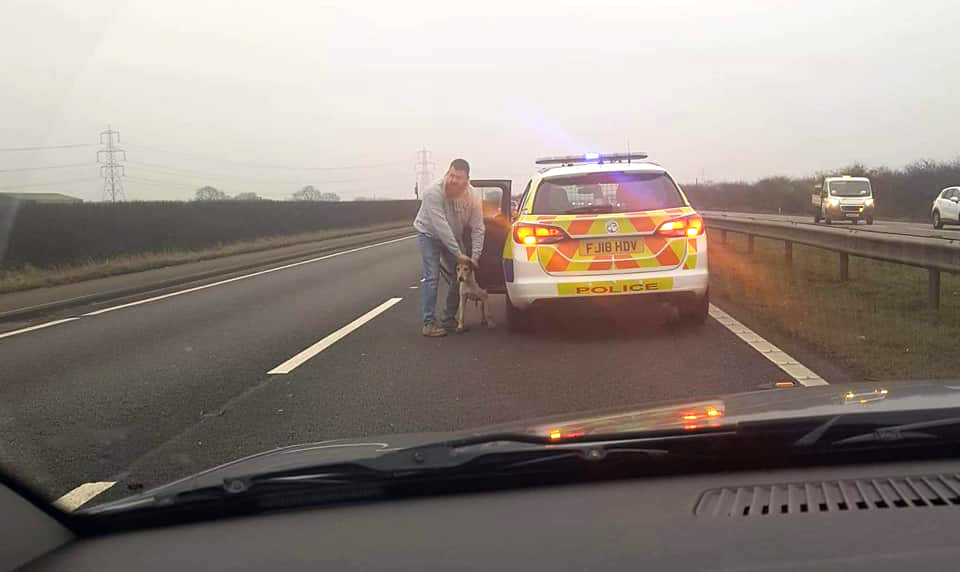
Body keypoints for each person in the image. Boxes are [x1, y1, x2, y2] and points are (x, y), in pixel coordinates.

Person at [413, 158, 484, 337]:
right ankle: (428, 323)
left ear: (467, 180)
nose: (452, 180)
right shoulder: (432, 192)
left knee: (458, 275)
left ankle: (448, 319)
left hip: (453, 236)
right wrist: (459, 254)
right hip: (429, 234)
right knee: (432, 276)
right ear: (447, 173)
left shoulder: (473, 196)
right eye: (451, 175)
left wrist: (474, 258)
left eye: (458, 177)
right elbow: (441, 227)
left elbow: (478, 227)